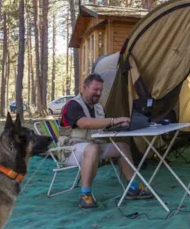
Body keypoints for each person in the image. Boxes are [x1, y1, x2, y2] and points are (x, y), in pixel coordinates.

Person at [60, 73, 153, 209]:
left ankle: (133, 187)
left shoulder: (98, 107)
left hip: (94, 146)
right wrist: (113, 120)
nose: (98, 93)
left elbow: (100, 125)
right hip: (70, 150)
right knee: (93, 148)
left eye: (100, 90)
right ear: (84, 87)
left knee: (122, 146)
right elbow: (84, 123)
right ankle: (85, 195)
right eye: (95, 89)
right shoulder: (72, 105)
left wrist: (119, 125)